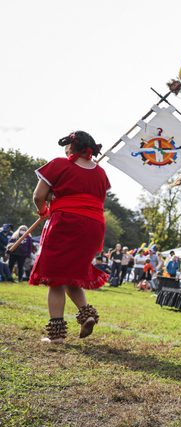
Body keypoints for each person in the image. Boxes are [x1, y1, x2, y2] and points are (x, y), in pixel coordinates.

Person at [28, 130, 109, 343]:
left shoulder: (58, 164)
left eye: (66, 146)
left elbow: (38, 196)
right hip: (93, 226)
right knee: (71, 273)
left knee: (55, 278)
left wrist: (43, 210)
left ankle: (56, 337)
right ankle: (87, 314)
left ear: (72, 147)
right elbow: (95, 200)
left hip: (67, 222)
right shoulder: (100, 173)